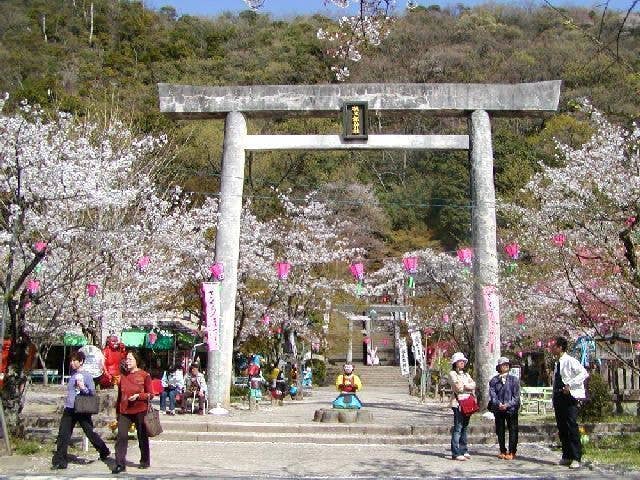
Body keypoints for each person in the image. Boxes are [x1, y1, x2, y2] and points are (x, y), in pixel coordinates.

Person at [51, 351, 110, 470]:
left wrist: (83, 388)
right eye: (71, 360)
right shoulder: (73, 374)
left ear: (81, 361)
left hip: (82, 409)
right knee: (63, 434)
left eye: (74, 360)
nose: (72, 363)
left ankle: (104, 450)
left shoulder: (87, 375)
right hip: (69, 408)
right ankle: (60, 461)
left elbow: (92, 392)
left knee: (89, 432)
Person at [112, 350, 153, 474]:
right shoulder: (122, 376)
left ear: (137, 361)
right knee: (122, 436)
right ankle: (120, 464)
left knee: (142, 436)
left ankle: (145, 460)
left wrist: (139, 396)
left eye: (130, 359)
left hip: (140, 409)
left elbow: (151, 394)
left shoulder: (144, 375)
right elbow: (120, 395)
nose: (127, 361)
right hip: (124, 410)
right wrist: (117, 411)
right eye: (127, 359)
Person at [552, 336, 589, 470]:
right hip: (558, 397)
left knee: (571, 426)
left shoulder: (570, 360)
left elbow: (584, 373)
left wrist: (570, 384)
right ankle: (566, 455)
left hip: (569, 397)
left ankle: (576, 457)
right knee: (562, 426)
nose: (552, 348)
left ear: (560, 347)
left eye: (554, 346)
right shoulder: (557, 363)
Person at [488, 356, 520, 460]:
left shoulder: (514, 379)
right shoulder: (493, 380)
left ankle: (512, 451)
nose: (505, 366)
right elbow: (493, 395)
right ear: (499, 367)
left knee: (513, 430)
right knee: (500, 430)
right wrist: (498, 404)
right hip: (499, 409)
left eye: (507, 364)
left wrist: (508, 405)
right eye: (503, 364)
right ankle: (502, 450)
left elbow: (516, 396)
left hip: (511, 409)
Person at [448, 352, 476, 461]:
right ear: (455, 363)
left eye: (463, 361)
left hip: (467, 402)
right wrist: (467, 386)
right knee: (458, 427)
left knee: (465, 427)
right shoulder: (452, 374)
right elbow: (458, 388)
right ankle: (455, 452)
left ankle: (464, 449)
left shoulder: (466, 374)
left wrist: (466, 386)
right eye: (460, 361)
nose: (462, 363)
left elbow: (473, 385)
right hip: (458, 403)